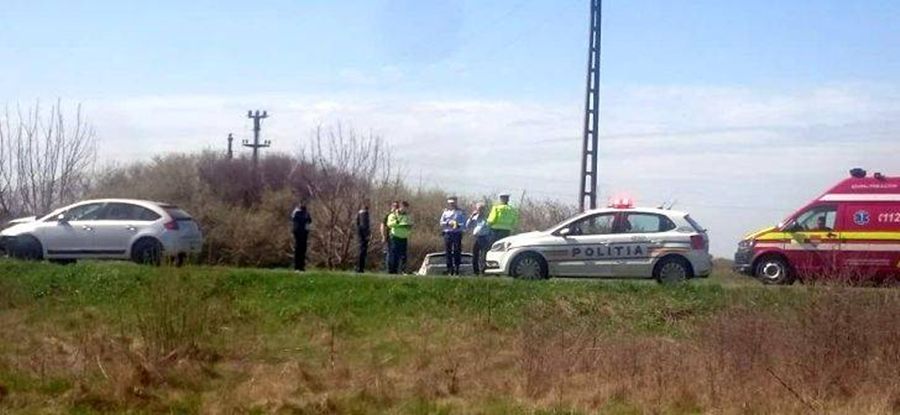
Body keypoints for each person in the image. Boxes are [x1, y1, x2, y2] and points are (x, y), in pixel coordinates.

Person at [440, 196, 466, 276]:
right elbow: (441, 222)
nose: (452, 204)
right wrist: (448, 223)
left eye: (453, 203)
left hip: (457, 233)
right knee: (448, 251)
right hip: (448, 233)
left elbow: (464, 223)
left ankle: (457, 268)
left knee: (457, 251)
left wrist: (458, 225)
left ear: (456, 202)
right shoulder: (445, 212)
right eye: (450, 203)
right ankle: (449, 269)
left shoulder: (461, 212)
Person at [466, 202, 492, 275]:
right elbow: (467, 225)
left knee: (483, 256)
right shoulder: (474, 218)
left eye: (482, 209)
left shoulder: (488, 218)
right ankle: (475, 272)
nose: (480, 211)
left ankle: (483, 271)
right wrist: (471, 217)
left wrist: (489, 238)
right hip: (476, 238)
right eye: (479, 209)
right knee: (475, 255)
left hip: (484, 238)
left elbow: (490, 228)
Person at [387, 201, 412, 274]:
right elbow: (389, 224)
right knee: (394, 255)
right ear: (400, 207)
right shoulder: (393, 215)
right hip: (395, 237)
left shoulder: (407, 216)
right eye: (404, 207)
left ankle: (403, 270)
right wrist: (398, 224)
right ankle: (393, 271)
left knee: (403, 255)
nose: (405, 209)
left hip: (404, 237)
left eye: (406, 208)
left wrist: (408, 226)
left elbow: (409, 223)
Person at [291, 202, 312, 272]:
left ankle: (301, 267)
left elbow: (309, 221)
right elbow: (295, 220)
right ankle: (297, 267)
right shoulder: (297, 213)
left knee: (302, 250)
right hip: (299, 233)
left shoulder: (306, 213)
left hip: (304, 233)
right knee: (299, 250)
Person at [380, 201, 399, 272]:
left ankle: (395, 270)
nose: (395, 208)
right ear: (392, 207)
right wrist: (383, 236)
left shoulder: (398, 216)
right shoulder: (388, 215)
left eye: (397, 207)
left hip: (397, 237)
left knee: (396, 254)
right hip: (389, 237)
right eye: (394, 206)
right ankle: (389, 270)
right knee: (389, 253)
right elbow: (382, 226)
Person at [355, 201, 371, 273]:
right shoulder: (365, 214)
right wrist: (367, 235)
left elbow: (357, 223)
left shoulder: (359, 213)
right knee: (363, 251)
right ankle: (360, 268)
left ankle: (359, 267)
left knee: (360, 250)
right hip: (363, 235)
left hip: (360, 234)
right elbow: (365, 226)